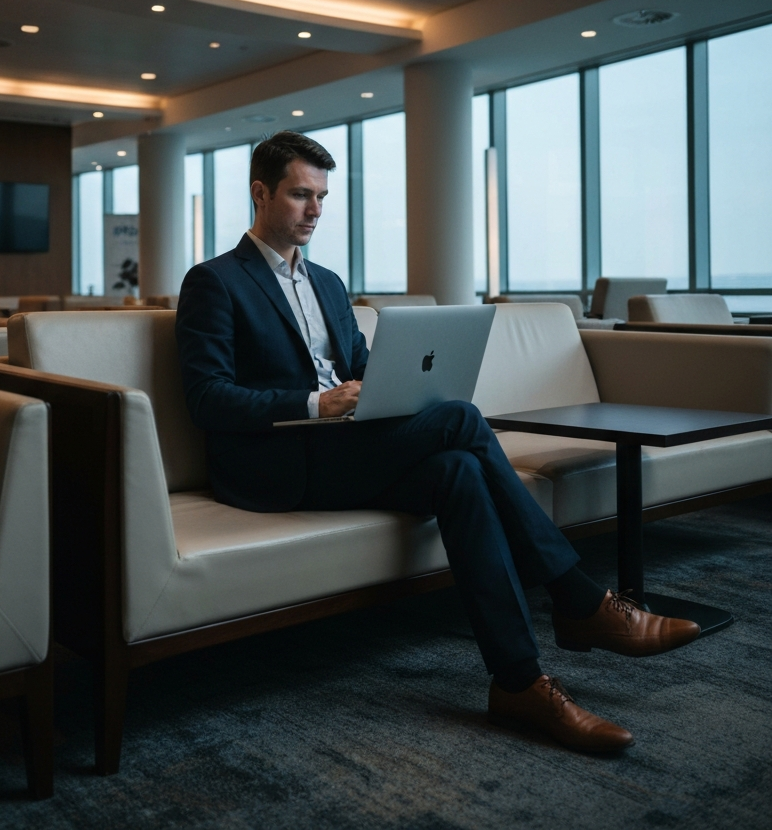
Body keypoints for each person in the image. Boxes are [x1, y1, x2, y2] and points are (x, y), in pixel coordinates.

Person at [175, 130, 699, 754]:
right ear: (260, 193)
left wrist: (386, 387)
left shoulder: (330, 284)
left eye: (320, 196)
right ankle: (578, 597)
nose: (315, 210)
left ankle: (519, 683)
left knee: (458, 471)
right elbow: (208, 398)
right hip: (275, 463)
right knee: (460, 420)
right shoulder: (214, 282)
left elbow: (365, 364)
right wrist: (318, 401)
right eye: (299, 195)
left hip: (346, 448)